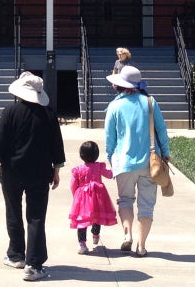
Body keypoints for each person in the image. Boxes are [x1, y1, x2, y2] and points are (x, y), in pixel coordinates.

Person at [0, 71, 65, 282]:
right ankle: (34, 264)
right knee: (36, 217)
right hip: (39, 173)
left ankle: (16, 255)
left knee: (13, 211)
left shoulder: (10, 112)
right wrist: (57, 169)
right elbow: (56, 145)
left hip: (12, 171)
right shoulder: (49, 115)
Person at [104, 64, 170, 258]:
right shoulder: (150, 102)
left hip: (123, 162)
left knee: (125, 200)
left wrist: (110, 157)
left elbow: (110, 138)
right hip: (150, 163)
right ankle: (141, 246)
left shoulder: (114, 105)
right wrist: (165, 152)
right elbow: (161, 130)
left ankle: (127, 234)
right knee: (146, 205)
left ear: (120, 85)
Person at [68, 140, 117, 254]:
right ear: (97, 155)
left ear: (81, 155)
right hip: (97, 198)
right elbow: (109, 175)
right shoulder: (99, 167)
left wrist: (76, 195)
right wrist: (115, 165)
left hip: (82, 200)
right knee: (97, 215)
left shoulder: (78, 170)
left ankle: (82, 244)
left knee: (82, 221)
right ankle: (95, 234)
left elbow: (72, 185)